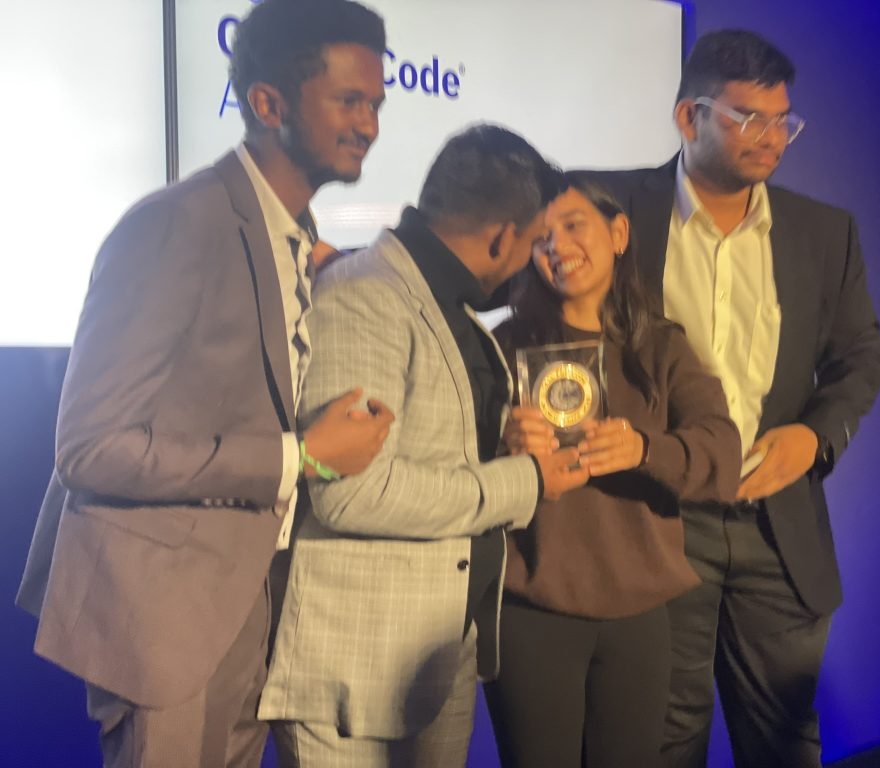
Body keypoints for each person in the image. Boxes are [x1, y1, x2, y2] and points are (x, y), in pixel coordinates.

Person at [15, 1, 394, 764]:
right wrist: (301, 457)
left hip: (251, 600)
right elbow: (90, 448)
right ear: (269, 103)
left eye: (376, 105)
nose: (369, 125)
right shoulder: (175, 224)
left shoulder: (296, 238)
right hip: (166, 615)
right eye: (350, 101)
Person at [586, 29, 880, 768]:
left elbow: (860, 358)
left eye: (783, 120)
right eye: (749, 117)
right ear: (688, 117)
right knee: (662, 737)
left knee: (785, 738)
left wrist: (814, 438)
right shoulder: (609, 206)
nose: (772, 137)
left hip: (776, 523)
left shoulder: (823, 232)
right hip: (656, 515)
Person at [259, 124, 589, 767]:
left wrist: (505, 441)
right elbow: (351, 494)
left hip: (438, 654)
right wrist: (526, 480)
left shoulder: (447, 304)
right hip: (353, 665)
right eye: (534, 241)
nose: (534, 259)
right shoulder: (364, 295)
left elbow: (436, 451)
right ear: (502, 238)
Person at [482, 174, 742, 767]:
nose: (557, 247)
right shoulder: (500, 348)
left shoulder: (661, 347)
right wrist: (502, 445)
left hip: (638, 613)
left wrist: (644, 450)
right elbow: (454, 464)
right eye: (541, 236)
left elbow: (723, 454)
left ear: (619, 233)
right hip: (530, 609)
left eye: (574, 226)